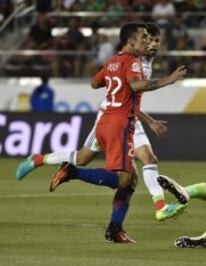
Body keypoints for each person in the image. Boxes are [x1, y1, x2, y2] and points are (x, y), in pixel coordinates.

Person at [21, 22, 186, 244]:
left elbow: (94, 82)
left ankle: (115, 228)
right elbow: (136, 86)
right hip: (120, 122)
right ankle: (73, 173)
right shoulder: (135, 63)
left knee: (116, 171)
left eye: (153, 39)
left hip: (110, 118)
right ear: (132, 41)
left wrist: (115, 82)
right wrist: (168, 80)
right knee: (123, 177)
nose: (149, 42)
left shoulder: (114, 61)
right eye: (145, 38)